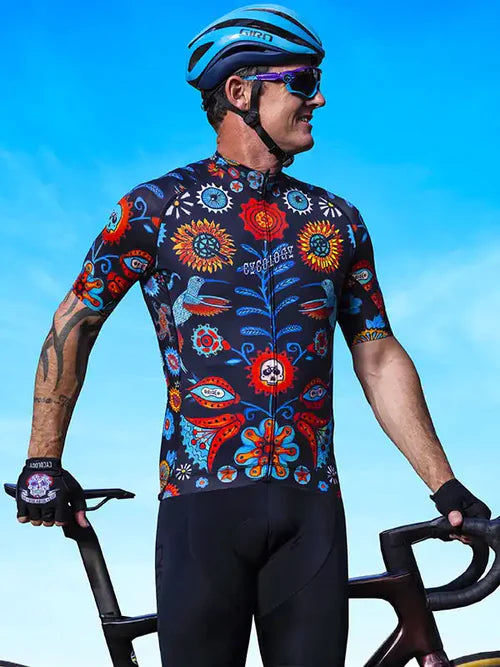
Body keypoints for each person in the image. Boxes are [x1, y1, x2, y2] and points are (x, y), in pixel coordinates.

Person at [15, 5, 491, 666]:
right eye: (302, 82)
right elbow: (77, 320)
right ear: (240, 93)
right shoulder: (155, 209)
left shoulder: (336, 221)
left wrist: (446, 485)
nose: (318, 99)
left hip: (311, 511)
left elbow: (378, 354)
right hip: (200, 505)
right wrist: (42, 461)